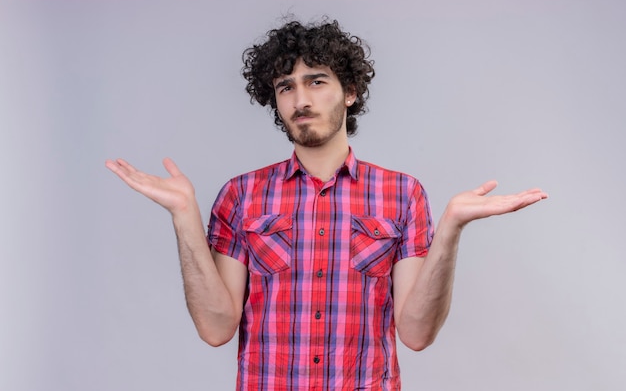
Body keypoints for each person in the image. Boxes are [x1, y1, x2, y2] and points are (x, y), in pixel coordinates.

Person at [105, 19, 548, 390]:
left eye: (316, 81)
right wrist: (184, 216)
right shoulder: (241, 196)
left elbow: (416, 334)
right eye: (285, 87)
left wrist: (451, 227)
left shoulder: (402, 194)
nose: (301, 100)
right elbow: (216, 328)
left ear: (349, 92)